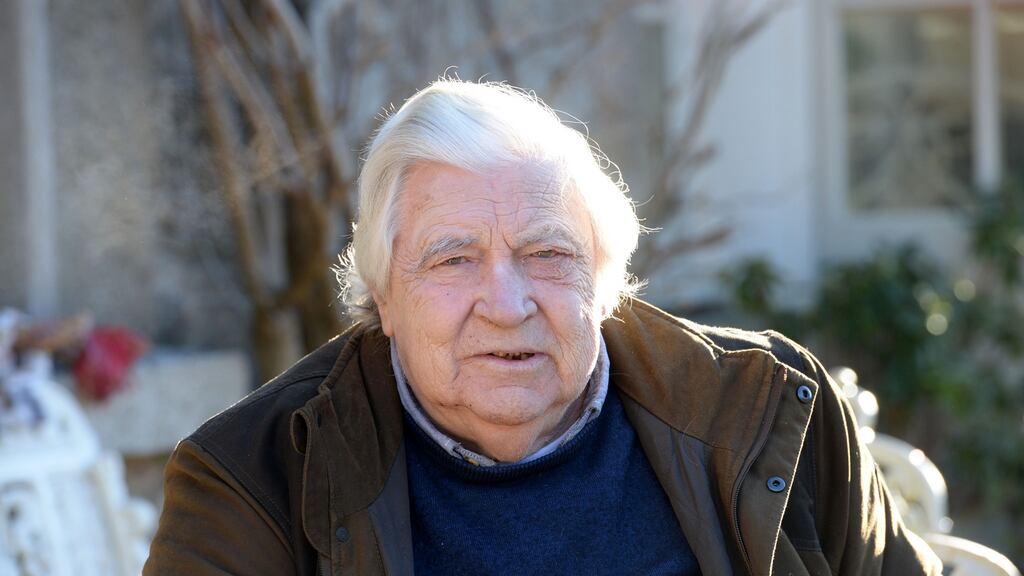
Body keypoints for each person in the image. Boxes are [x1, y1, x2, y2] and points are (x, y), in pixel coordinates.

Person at [144, 79, 942, 575]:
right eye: (453, 260)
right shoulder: (250, 480)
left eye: (546, 254)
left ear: (603, 282)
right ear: (385, 297)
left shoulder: (770, 410)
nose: (506, 301)